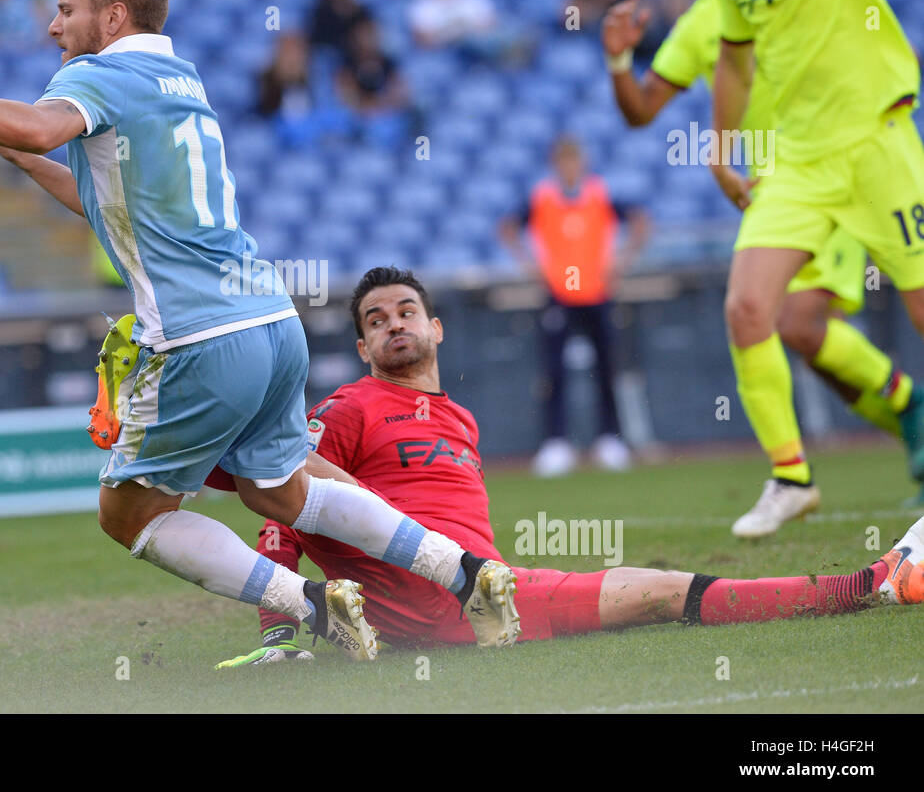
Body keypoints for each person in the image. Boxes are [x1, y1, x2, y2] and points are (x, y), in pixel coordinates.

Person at [0, 0, 521, 662]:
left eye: (66, 9)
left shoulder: (106, 73)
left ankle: (309, 602)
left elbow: (37, 123)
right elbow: (117, 206)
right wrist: (28, 165)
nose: (54, 25)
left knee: (128, 513)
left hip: (201, 336)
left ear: (113, 17)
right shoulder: (179, 78)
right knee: (281, 491)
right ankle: (465, 569)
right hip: (272, 320)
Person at [212, 267, 924, 667]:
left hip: (492, 595)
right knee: (662, 590)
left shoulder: (460, 419)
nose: (394, 323)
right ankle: (871, 581)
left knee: (660, 588)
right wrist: (279, 632)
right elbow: (285, 499)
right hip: (443, 602)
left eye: (406, 311)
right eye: (375, 319)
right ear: (365, 347)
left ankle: (876, 580)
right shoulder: (349, 405)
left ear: (436, 328)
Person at [602, 0, 921, 533]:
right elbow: (641, 110)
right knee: (778, 322)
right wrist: (616, 57)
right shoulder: (704, 22)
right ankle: (862, 440)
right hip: (783, 183)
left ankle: (908, 414)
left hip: (850, 162)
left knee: (800, 324)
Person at [710, 0, 924, 528]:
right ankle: (791, 475)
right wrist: (720, 147)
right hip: (798, 161)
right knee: (748, 308)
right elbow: (734, 63)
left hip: (877, 143)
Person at [500, 136, 649, 477]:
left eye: (573, 161)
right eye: (563, 161)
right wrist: (530, 265)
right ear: (555, 165)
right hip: (559, 294)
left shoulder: (600, 194)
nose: (569, 168)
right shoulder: (542, 199)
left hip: (597, 291)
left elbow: (640, 220)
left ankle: (610, 441)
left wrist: (623, 259)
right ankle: (556, 443)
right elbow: (508, 227)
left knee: (608, 369)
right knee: (554, 372)